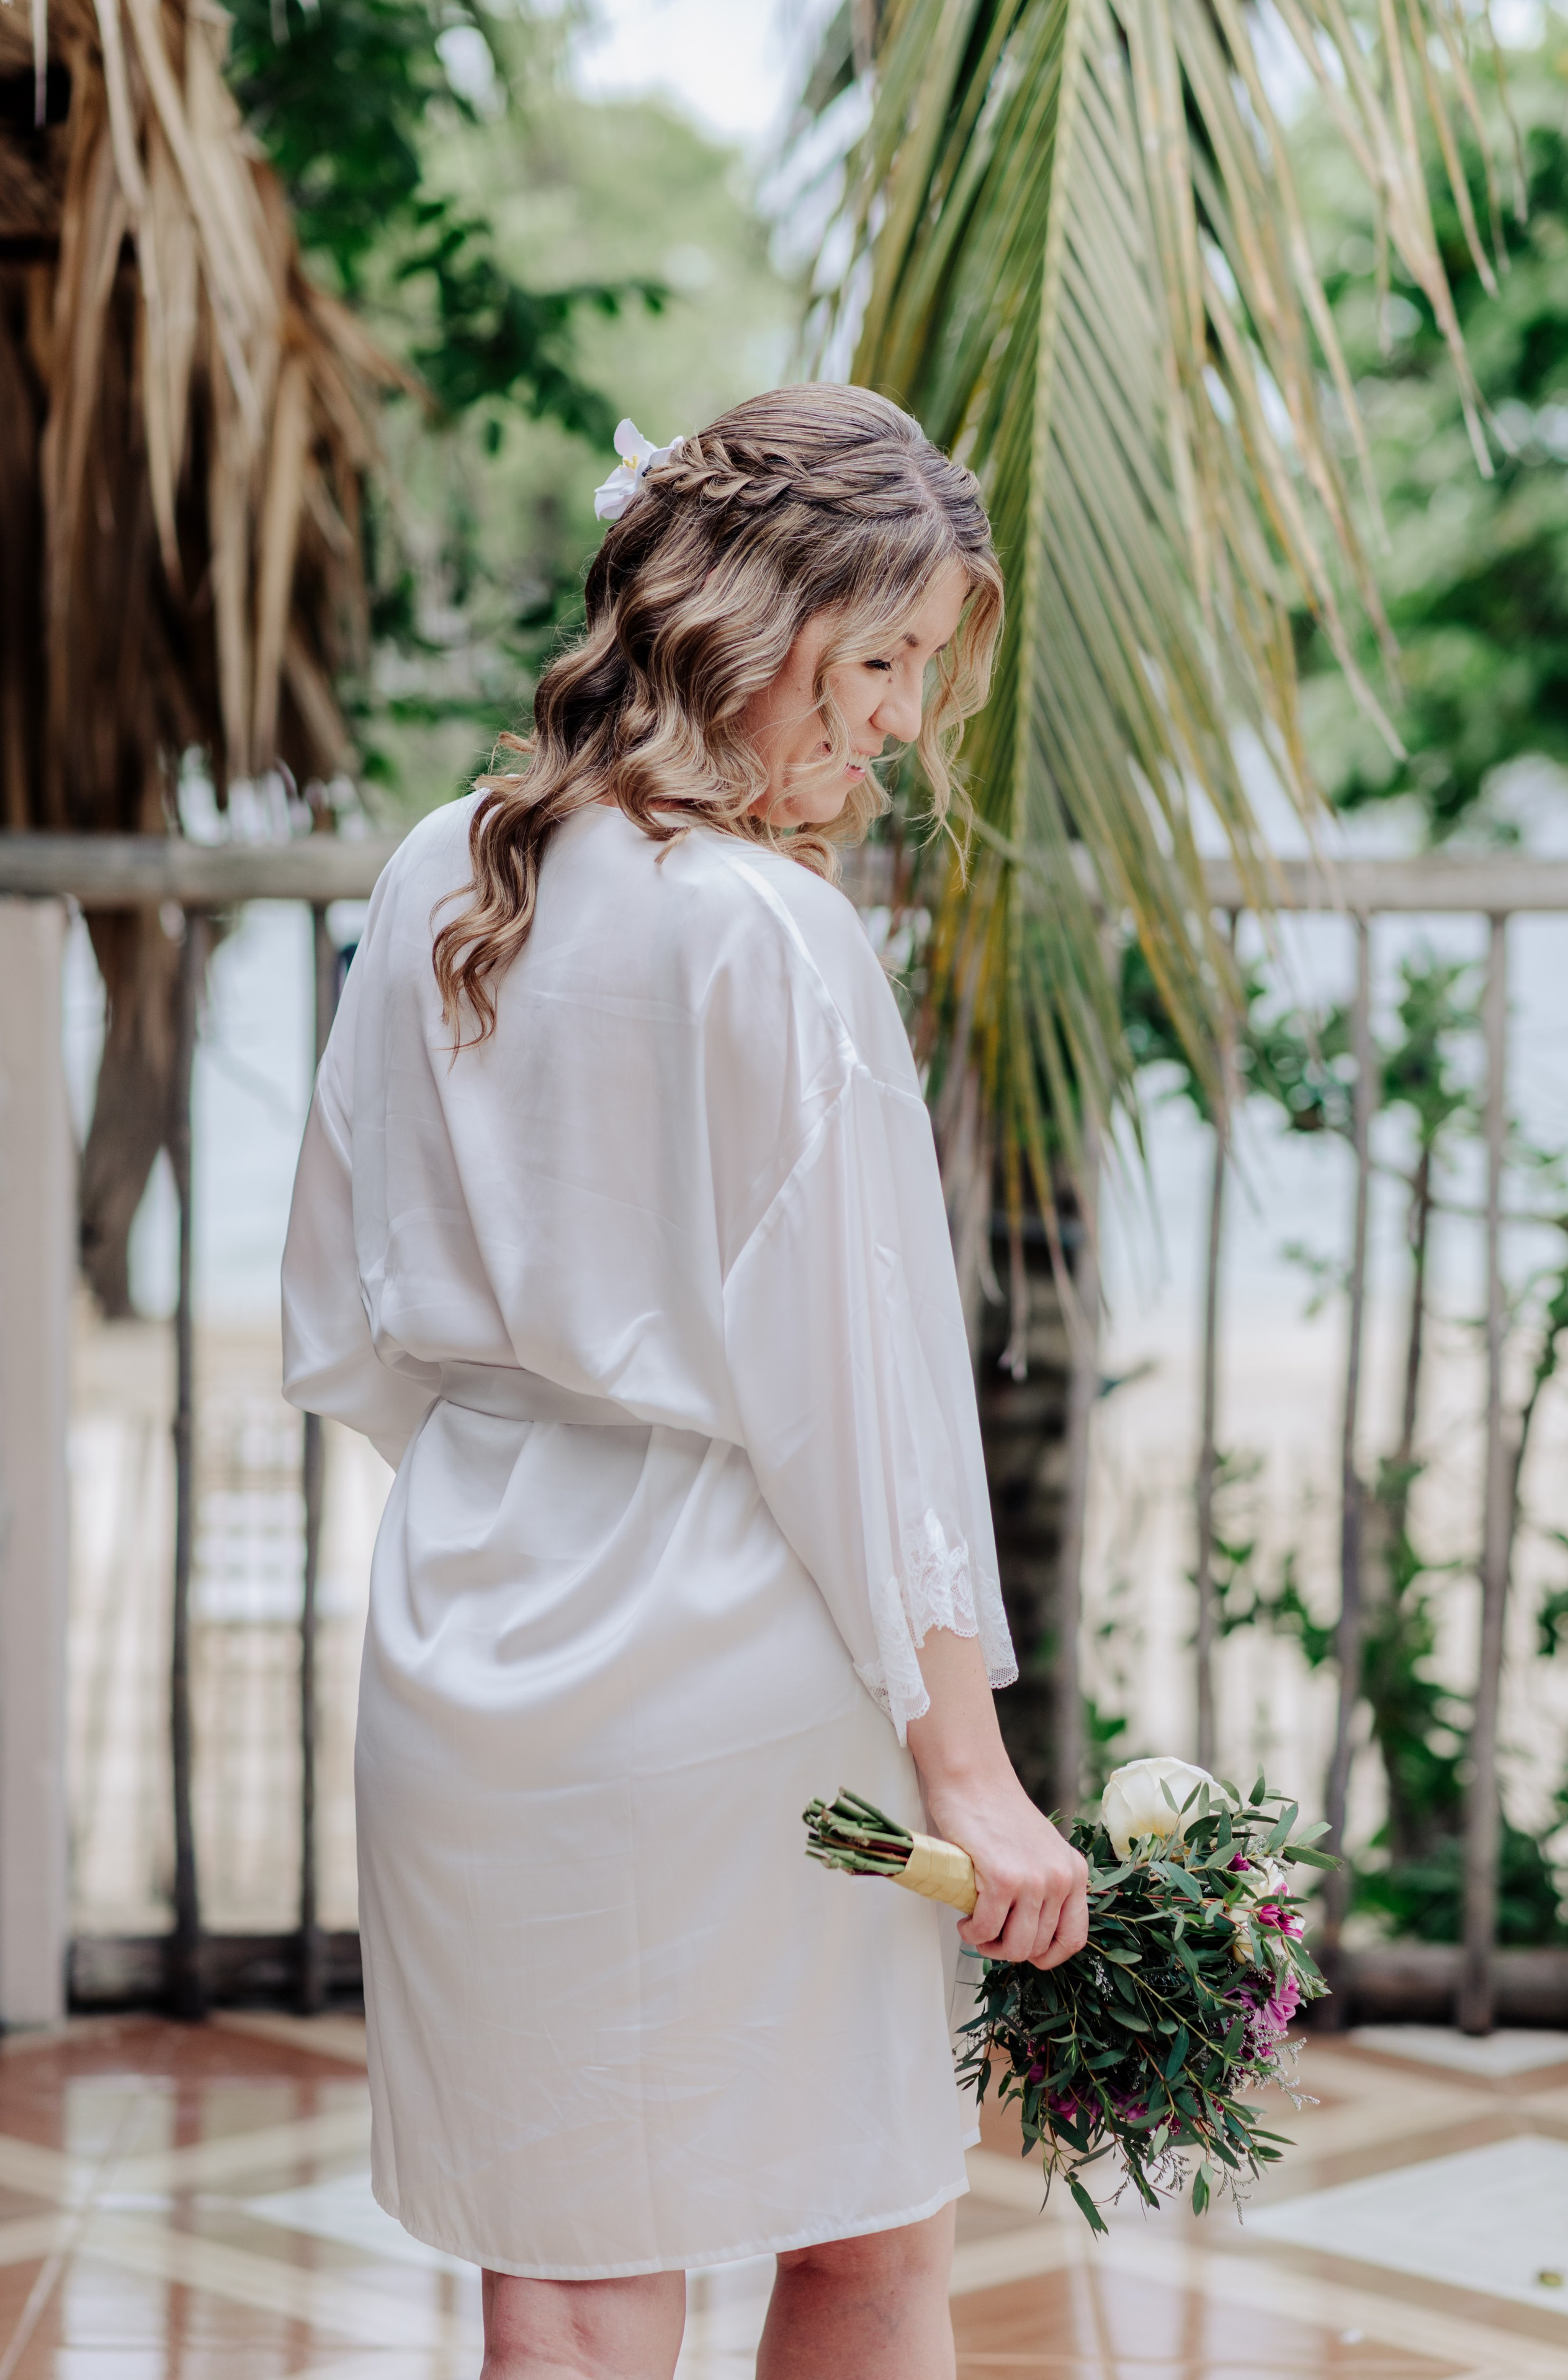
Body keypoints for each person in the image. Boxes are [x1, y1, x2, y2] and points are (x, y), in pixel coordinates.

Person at [281, 384, 1089, 2380]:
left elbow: (339, 1315)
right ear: (747, 615)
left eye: (920, 667)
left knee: (561, 2277)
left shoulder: (429, 874)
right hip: (742, 1659)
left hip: (471, 1639)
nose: (899, 719)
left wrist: (524, 1473)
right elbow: (866, 1402)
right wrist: (970, 1776)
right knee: (868, 2230)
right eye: (880, 655)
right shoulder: (775, 936)